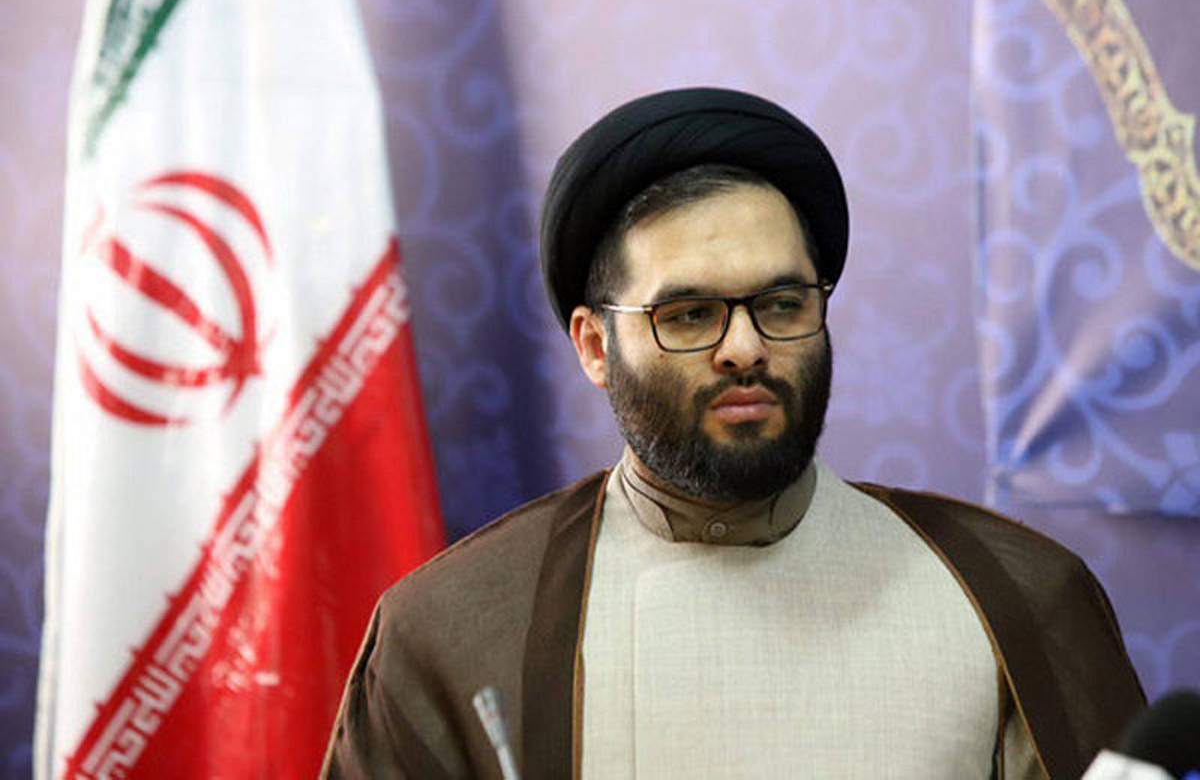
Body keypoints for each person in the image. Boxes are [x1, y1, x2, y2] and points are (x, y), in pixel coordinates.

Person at [321, 88, 1144, 779]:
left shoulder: (1015, 598)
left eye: (781, 305)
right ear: (595, 346)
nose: (745, 347)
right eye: (690, 314)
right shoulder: (452, 630)